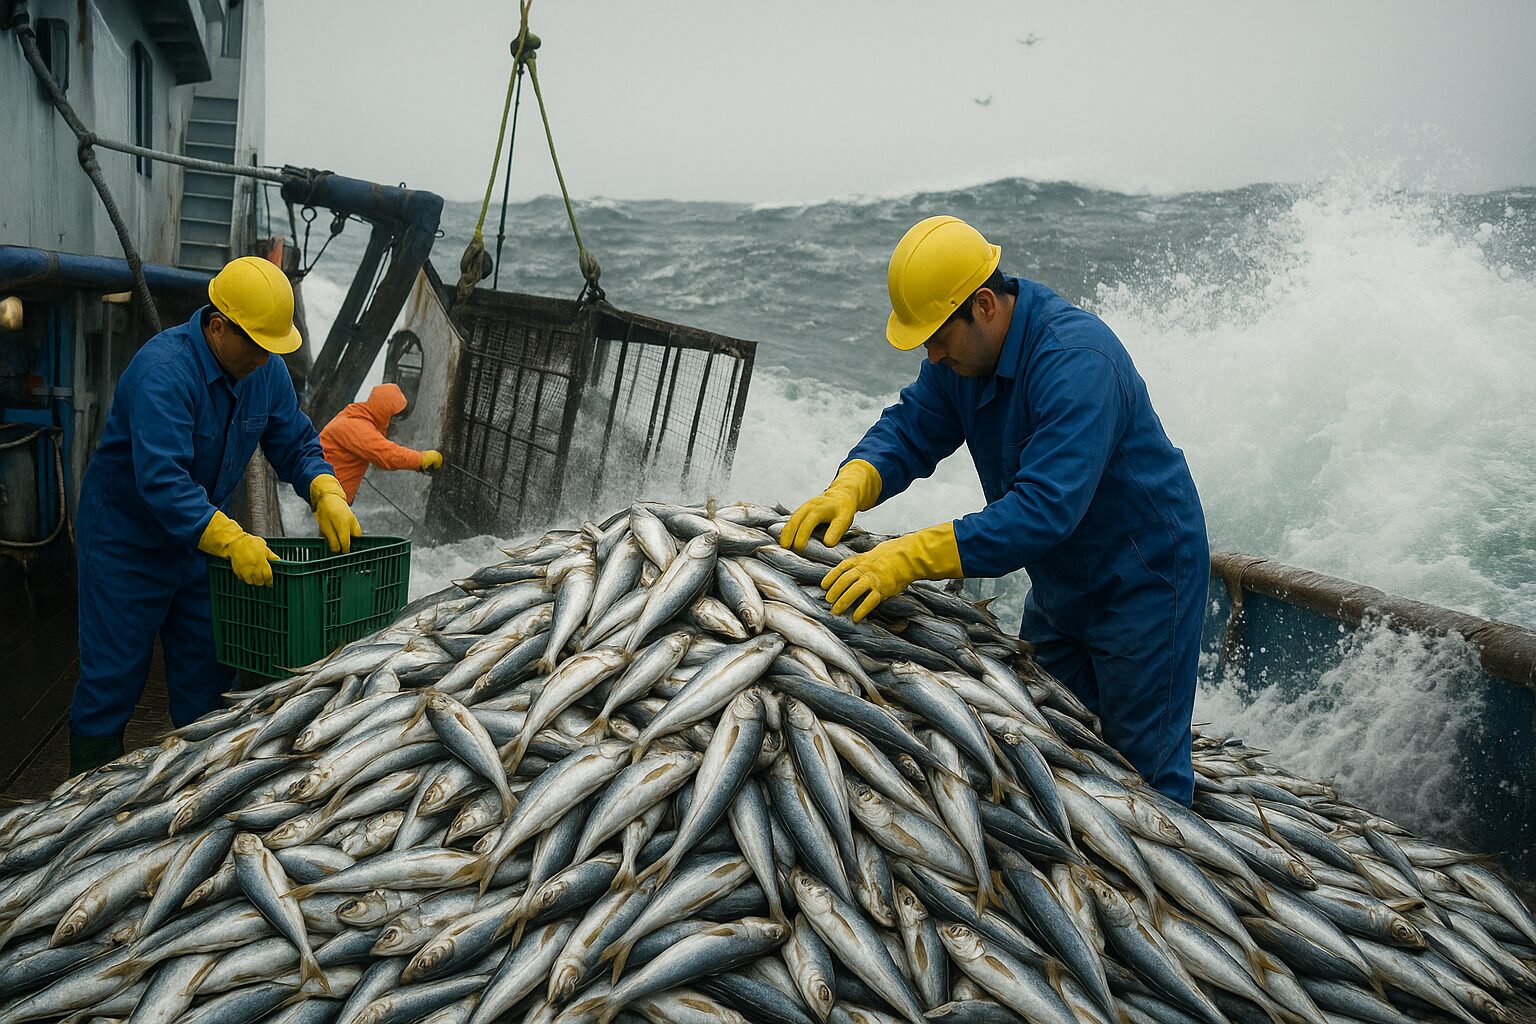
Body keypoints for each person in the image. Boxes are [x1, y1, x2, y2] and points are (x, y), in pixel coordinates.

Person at [781, 216, 1208, 805]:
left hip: (1143, 578)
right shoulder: (962, 361)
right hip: (1062, 583)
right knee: (1057, 746)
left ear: (983, 305)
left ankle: (1173, 882)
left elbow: (1041, 510)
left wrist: (908, 556)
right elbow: (910, 428)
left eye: (937, 335)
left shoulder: (1077, 361)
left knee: (1145, 775)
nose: (930, 354)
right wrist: (850, 484)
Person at [69, 257, 362, 774]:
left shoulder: (264, 372)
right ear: (217, 325)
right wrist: (232, 541)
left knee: (207, 675)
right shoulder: (163, 373)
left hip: (200, 544)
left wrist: (325, 489)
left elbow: (293, 440)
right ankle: (77, 809)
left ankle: (194, 790)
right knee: (111, 680)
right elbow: (162, 482)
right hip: (127, 541)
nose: (265, 356)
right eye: (255, 343)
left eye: (273, 346)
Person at [318, 383, 443, 503]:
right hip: (327, 498)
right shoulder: (357, 427)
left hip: (326, 494)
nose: (393, 424)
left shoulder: (356, 415)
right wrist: (420, 460)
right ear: (384, 410)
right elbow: (387, 455)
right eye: (394, 418)